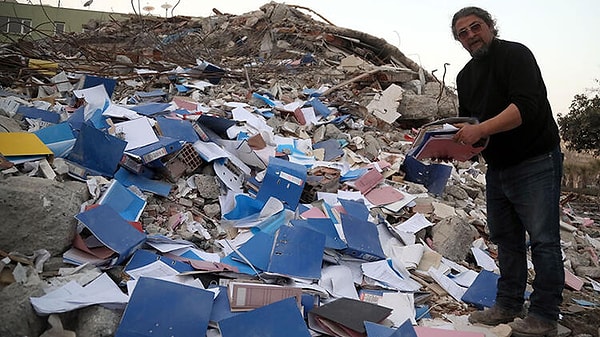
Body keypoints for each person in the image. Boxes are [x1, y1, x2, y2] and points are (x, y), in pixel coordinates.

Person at [450, 6, 564, 337]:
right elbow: (471, 127)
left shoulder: (516, 55)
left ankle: (544, 315)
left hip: (536, 159)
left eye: (476, 27)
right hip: (498, 167)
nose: (471, 35)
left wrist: (479, 129)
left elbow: (526, 108)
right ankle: (508, 304)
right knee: (506, 240)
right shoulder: (465, 77)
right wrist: (453, 149)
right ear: (459, 41)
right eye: (463, 33)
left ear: (490, 27)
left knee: (543, 240)